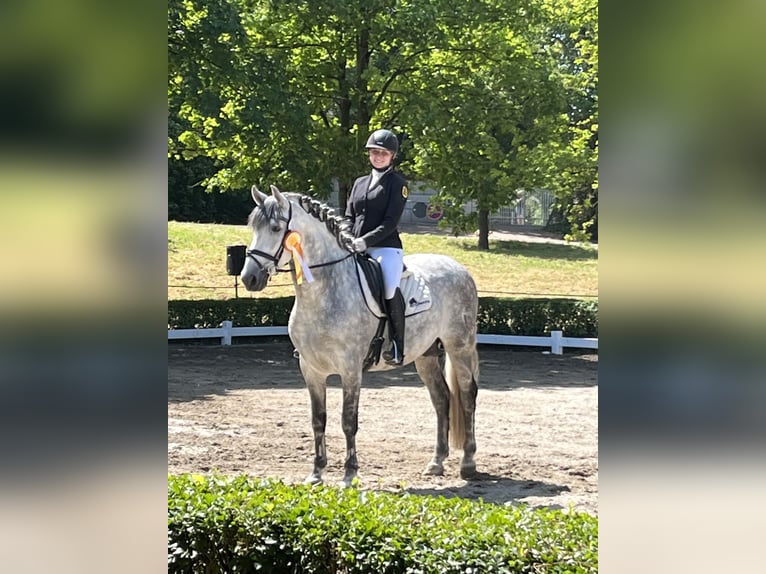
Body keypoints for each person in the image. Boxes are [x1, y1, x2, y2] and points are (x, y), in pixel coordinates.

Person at [345, 128, 409, 365]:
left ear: (392, 156)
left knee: (389, 288)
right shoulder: (359, 183)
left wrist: (365, 241)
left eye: (383, 153)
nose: (378, 156)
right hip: (355, 246)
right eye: (374, 152)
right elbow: (349, 215)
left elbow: (391, 223)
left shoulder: (398, 184)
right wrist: (346, 236)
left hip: (385, 248)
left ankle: (397, 346)